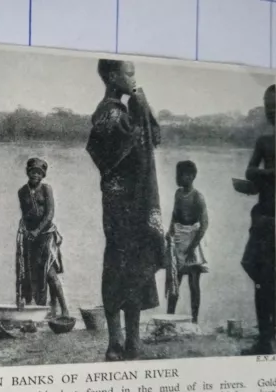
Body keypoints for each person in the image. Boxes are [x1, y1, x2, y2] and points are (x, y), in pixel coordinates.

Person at [85, 58, 165, 361]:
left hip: (137, 202)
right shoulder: (107, 113)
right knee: (117, 266)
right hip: (120, 204)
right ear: (112, 76)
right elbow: (126, 141)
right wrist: (140, 98)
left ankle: (133, 341)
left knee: (138, 267)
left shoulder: (127, 110)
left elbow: (150, 134)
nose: (134, 80)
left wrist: (139, 97)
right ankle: (114, 341)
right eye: (128, 74)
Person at [240, 84, 276, 355]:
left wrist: (265, 175)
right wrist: (270, 175)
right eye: (268, 106)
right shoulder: (265, 141)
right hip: (264, 219)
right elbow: (250, 171)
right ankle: (265, 338)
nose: (271, 111)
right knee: (258, 274)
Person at [16, 157, 69, 318]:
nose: (35, 175)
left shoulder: (46, 189)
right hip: (29, 238)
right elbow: (25, 214)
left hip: (46, 236)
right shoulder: (22, 191)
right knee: (29, 273)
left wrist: (37, 231)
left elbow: (49, 214)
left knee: (50, 273)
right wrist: (24, 230)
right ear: (28, 172)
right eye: (33, 172)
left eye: (39, 173)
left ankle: (64, 309)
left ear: (43, 175)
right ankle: (38, 309)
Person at [165, 160, 209, 324]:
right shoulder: (178, 193)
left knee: (193, 284)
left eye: (181, 175)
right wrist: (170, 231)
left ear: (191, 176)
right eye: (177, 174)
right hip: (179, 239)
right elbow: (175, 214)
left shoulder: (198, 197)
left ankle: (195, 321)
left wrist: (192, 247)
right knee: (174, 282)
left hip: (193, 240)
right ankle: (168, 320)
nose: (177, 178)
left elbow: (204, 225)